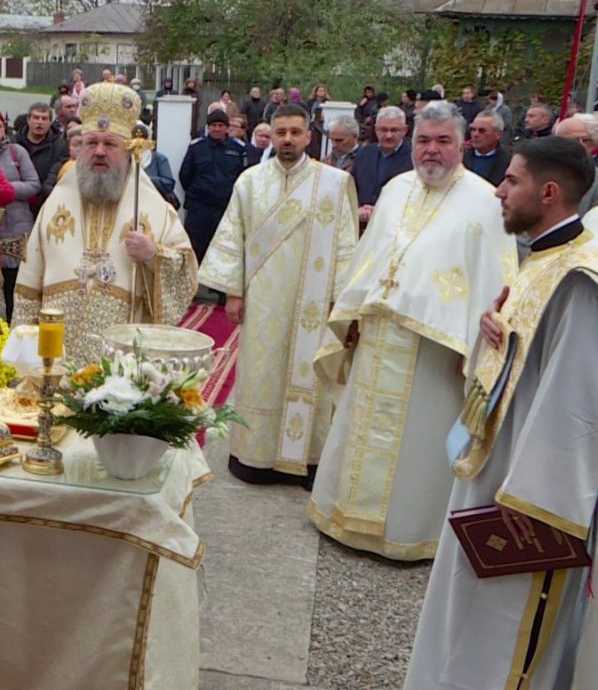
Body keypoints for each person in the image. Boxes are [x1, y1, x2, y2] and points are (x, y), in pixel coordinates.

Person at [404, 136, 598, 690]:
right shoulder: (541, 257)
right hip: (490, 467)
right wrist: (495, 335)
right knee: (465, 609)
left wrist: (535, 500)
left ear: (551, 191)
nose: (499, 191)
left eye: (512, 181)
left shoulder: (581, 279)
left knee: (508, 624)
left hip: (528, 496)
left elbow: (576, 399)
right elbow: (523, 353)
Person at [309, 102, 515, 561]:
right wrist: (353, 314)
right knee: (360, 428)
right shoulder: (396, 188)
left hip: (435, 349)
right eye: (424, 140)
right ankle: (345, 515)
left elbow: (495, 278)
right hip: (381, 334)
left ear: (463, 144)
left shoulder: (485, 201)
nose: (432, 151)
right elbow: (371, 255)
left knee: (418, 442)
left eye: (443, 141)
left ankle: (407, 532)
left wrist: (478, 344)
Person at [198, 104, 358, 486]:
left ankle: (308, 458)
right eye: (281, 132)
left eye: (295, 132)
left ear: (308, 136)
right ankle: (255, 456)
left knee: (312, 374)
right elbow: (232, 238)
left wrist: (341, 299)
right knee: (261, 370)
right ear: (271, 134)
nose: (287, 139)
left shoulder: (333, 184)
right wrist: (234, 293)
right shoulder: (249, 182)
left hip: (314, 301)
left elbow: (346, 244)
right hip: (264, 295)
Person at [14, 83, 198, 365]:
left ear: (127, 150)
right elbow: (28, 281)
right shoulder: (54, 205)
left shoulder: (152, 207)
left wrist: (153, 255)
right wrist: (22, 352)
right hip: (55, 350)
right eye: (91, 143)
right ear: (80, 148)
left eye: (110, 144)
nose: (99, 151)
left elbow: (186, 271)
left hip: (120, 354)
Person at [0, 107, 40, 319]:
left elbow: (33, 185)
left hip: (17, 227)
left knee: (15, 289)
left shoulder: (17, 152)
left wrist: (1, 188)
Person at [179, 108, 251, 266]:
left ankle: (217, 287)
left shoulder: (238, 148)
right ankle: (194, 281)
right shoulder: (196, 147)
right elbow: (185, 175)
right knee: (195, 245)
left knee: (223, 245)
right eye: (213, 125)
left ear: (226, 127)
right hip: (199, 208)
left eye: (220, 125)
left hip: (225, 207)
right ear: (208, 127)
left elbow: (244, 176)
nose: (216, 129)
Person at [350, 106, 413, 226]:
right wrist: (358, 210)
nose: (388, 135)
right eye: (383, 130)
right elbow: (352, 188)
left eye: (394, 130)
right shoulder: (364, 153)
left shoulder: (414, 159)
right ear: (375, 129)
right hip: (361, 227)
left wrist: (380, 212)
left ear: (405, 130)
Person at [16, 102, 68, 205]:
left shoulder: (61, 146)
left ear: (50, 122)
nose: (40, 122)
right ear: (28, 120)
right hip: (18, 200)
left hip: (47, 201)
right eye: (36, 118)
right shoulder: (14, 143)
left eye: (44, 119)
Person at [462, 109, 511, 186]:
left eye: (482, 131)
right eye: (473, 130)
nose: (475, 134)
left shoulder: (509, 163)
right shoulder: (461, 159)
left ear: (498, 134)